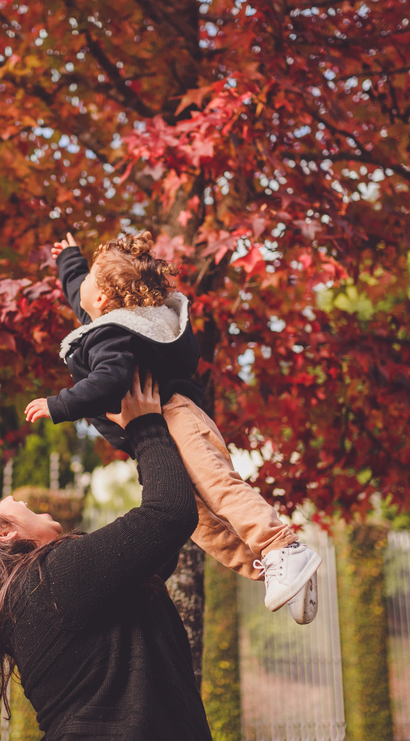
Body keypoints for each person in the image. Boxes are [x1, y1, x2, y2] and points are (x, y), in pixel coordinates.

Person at [0, 373, 215, 741]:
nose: (13, 497)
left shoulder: (33, 599)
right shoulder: (48, 581)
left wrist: (143, 438)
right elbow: (168, 516)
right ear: (3, 533)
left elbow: (157, 547)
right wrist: (145, 427)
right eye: (0, 504)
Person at [24, 231, 319, 621]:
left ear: (104, 300)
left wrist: (59, 404)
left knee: (218, 485)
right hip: (158, 432)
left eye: (89, 277)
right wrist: (70, 260)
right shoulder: (105, 324)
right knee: (198, 521)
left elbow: (109, 380)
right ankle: (271, 570)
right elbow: (79, 291)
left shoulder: (111, 336)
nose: (81, 285)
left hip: (177, 417)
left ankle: (281, 546)